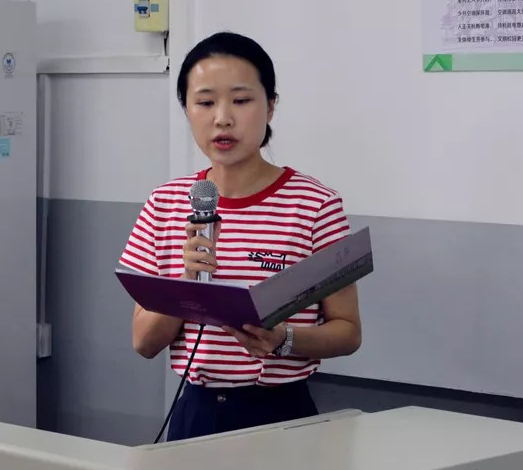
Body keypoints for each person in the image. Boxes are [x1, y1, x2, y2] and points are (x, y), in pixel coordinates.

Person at [120, 31, 362, 442]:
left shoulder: (315, 205)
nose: (222, 118)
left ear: (271, 106)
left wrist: (283, 340)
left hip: (283, 415)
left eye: (241, 100)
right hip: (196, 413)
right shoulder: (165, 204)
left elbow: (348, 332)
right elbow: (144, 342)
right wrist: (187, 282)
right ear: (187, 109)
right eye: (205, 102)